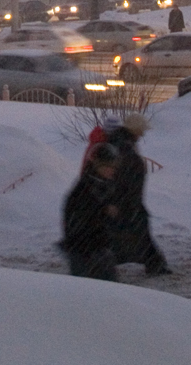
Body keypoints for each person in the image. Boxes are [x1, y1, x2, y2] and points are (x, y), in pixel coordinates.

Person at [107, 113, 169, 274]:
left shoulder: (119, 141)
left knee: (130, 233)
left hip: (124, 199)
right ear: (135, 130)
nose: (142, 134)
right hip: (128, 200)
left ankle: (153, 263)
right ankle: (154, 264)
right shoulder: (125, 146)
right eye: (141, 131)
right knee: (137, 233)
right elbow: (126, 177)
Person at [61, 143, 122, 281]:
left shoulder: (102, 183)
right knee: (89, 289)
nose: (112, 170)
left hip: (97, 247)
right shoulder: (86, 186)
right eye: (108, 166)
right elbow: (80, 216)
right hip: (84, 250)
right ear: (98, 165)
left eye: (113, 167)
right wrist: (104, 210)